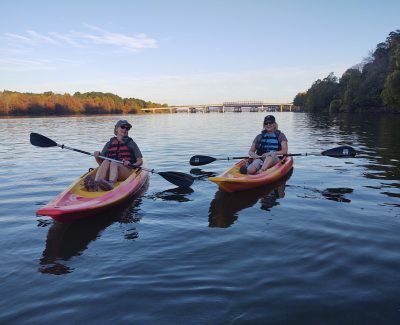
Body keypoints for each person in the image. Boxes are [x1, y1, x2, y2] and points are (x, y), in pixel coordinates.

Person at [85, 120, 143, 191]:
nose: (125, 129)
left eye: (127, 128)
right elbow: (101, 164)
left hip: (126, 172)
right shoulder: (109, 143)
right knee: (106, 161)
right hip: (111, 172)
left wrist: (131, 164)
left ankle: (110, 184)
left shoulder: (131, 143)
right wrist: (96, 157)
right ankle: (96, 184)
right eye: (122, 127)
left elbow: (140, 161)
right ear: (116, 129)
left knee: (113, 162)